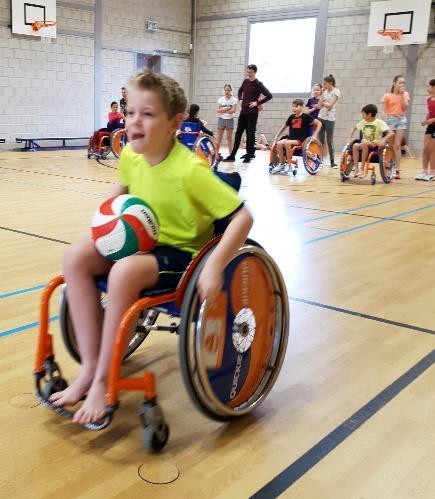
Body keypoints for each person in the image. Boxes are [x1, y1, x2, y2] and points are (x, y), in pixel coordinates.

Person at [49, 71, 253, 425]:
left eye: (147, 114)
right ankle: (91, 367)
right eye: (129, 112)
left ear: (174, 123)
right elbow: (121, 192)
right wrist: (100, 227)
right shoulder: (130, 154)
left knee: (126, 270)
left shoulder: (190, 171)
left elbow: (243, 218)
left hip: (181, 254)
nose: (133, 121)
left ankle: (101, 381)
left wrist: (215, 265)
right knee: (76, 257)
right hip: (140, 240)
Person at [223, 64, 272, 163]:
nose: (248, 74)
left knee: (250, 134)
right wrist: (240, 99)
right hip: (243, 112)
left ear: (254, 72)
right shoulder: (245, 81)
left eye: (250, 72)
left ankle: (249, 155)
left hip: (252, 113)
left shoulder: (258, 84)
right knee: (238, 134)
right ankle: (232, 155)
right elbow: (240, 91)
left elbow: (269, 95)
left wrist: (257, 103)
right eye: (247, 72)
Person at [270, 98, 321, 174]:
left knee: (287, 143)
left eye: (296, 106)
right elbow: (283, 127)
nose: (294, 108)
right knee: (279, 143)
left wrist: (315, 135)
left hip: (301, 140)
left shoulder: (306, 117)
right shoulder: (291, 117)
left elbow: (319, 123)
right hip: (291, 139)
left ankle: (289, 165)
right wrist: (277, 136)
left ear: (301, 107)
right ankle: (282, 164)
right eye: (293, 106)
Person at [348, 104, 394, 178]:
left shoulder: (379, 122)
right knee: (355, 145)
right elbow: (354, 129)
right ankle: (356, 170)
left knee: (364, 144)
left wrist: (384, 140)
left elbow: (391, 133)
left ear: (369, 114)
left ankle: (362, 169)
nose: (362, 116)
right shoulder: (363, 122)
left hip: (375, 145)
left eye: (363, 114)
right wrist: (350, 138)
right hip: (364, 143)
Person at [381, 75, 410, 179]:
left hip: (401, 119)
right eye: (400, 83)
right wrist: (384, 123)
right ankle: (389, 163)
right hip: (390, 119)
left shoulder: (405, 94)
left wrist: (402, 95)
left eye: (403, 83)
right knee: (391, 145)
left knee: (397, 145)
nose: (402, 85)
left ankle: (397, 169)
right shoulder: (387, 95)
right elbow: (383, 111)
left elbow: (404, 107)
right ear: (394, 83)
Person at [317, 74, 340, 167]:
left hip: (330, 119)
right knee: (321, 140)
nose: (324, 86)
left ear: (331, 83)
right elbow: (319, 105)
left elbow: (331, 105)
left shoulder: (336, 91)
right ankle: (320, 161)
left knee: (329, 140)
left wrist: (324, 103)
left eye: (325, 84)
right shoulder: (324, 92)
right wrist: (322, 97)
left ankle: (332, 162)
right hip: (321, 117)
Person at [415, 78, 435, 181]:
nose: (427, 88)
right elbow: (430, 113)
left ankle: (432, 172)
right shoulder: (429, 99)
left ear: (433, 87)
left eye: (428, 86)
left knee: (432, 149)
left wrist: (432, 120)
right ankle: (424, 171)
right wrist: (426, 120)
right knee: (425, 148)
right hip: (430, 126)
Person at [215, 84, 238, 160]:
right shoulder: (221, 99)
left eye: (228, 90)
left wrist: (223, 109)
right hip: (221, 119)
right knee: (219, 138)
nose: (227, 91)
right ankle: (216, 155)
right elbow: (218, 110)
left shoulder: (234, 99)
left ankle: (231, 156)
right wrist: (228, 108)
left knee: (229, 139)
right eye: (225, 90)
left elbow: (234, 110)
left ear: (231, 90)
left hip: (230, 120)